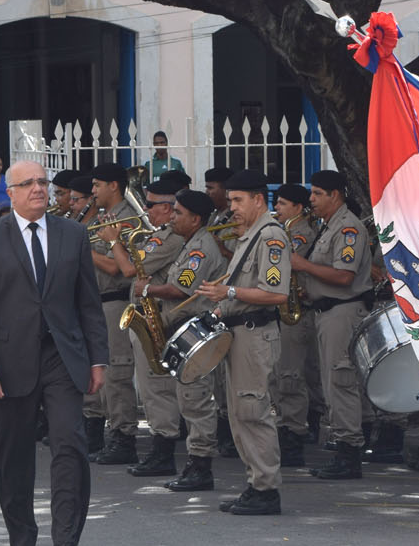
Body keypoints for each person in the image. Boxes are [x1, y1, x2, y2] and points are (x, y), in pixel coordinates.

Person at [0, 160, 108, 546]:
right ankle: (21, 538)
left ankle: (66, 542)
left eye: (43, 182)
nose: (39, 189)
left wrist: (98, 359)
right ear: (9, 192)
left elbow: (88, 303)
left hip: (63, 356)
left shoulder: (73, 234)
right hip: (9, 361)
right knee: (14, 452)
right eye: (28, 184)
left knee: (70, 443)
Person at [194, 169, 291, 514]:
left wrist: (229, 292)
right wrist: (222, 306)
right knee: (239, 413)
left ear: (257, 199)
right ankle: (256, 483)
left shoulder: (271, 237)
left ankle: (266, 489)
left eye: (238, 200)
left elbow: (275, 293)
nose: (231, 207)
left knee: (253, 411)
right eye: (231, 199)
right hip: (239, 332)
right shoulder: (251, 234)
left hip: (255, 334)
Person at [135, 189, 228, 492]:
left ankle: (201, 466)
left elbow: (180, 289)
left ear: (195, 219)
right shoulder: (191, 244)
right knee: (189, 399)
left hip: (193, 329)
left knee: (196, 400)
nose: (172, 217)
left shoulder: (200, 249)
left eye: (178, 213)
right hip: (182, 330)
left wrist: (148, 290)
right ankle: (195, 463)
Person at [290, 169, 377, 480]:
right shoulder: (329, 227)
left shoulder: (348, 229)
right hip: (326, 311)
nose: (310, 200)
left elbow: (344, 276)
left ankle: (349, 452)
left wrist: (301, 265)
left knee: (340, 381)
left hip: (343, 311)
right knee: (331, 381)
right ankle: (345, 444)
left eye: (316, 194)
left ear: (334, 195)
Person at [119, 175, 187, 475]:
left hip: (159, 315)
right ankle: (162, 445)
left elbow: (130, 269)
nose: (145, 211)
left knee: (157, 386)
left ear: (170, 207)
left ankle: (164, 449)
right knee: (151, 387)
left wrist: (112, 242)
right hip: (149, 313)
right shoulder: (161, 234)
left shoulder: (171, 239)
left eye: (150, 205)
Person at [86, 162, 143, 464]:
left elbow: (115, 267)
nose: (93, 191)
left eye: (97, 185)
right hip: (100, 300)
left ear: (114, 186)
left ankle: (124, 437)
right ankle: (111, 430)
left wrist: (84, 248)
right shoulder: (102, 218)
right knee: (105, 370)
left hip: (118, 300)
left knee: (119, 370)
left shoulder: (129, 219)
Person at [267, 183, 318, 468]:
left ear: (298, 208)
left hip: (297, 312)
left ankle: (294, 433)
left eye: (283, 205)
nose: (278, 210)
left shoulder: (299, 233)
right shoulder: (286, 230)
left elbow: (286, 260)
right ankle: (288, 427)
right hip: (283, 307)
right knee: (280, 374)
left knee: (290, 375)